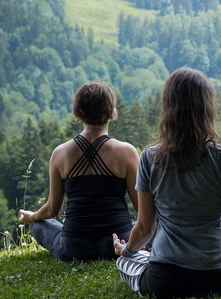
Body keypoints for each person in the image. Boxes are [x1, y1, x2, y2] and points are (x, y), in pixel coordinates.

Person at [113, 67, 221, 299]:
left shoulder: (149, 158)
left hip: (162, 282)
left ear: (168, 108)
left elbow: (145, 228)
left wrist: (125, 252)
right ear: (207, 108)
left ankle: (125, 257)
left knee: (125, 261)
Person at [17, 81, 139, 262]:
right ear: (111, 110)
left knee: (38, 225)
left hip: (73, 247)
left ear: (78, 111)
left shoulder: (60, 153)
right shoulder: (127, 152)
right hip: (118, 243)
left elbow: (52, 209)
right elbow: (141, 208)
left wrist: (32, 216)